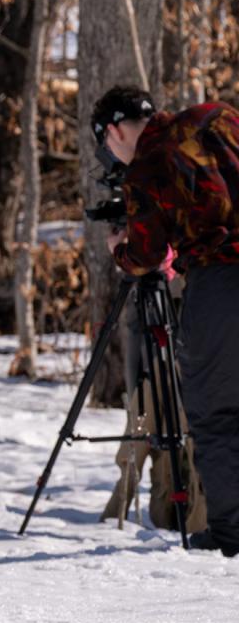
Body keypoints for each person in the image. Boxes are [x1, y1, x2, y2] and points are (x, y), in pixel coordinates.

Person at [95, 85, 239, 556]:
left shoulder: (147, 164)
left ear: (115, 130)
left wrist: (120, 249)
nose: (112, 157)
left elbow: (146, 255)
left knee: (216, 411)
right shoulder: (217, 115)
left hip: (222, 282)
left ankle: (232, 531)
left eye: (107, 146)